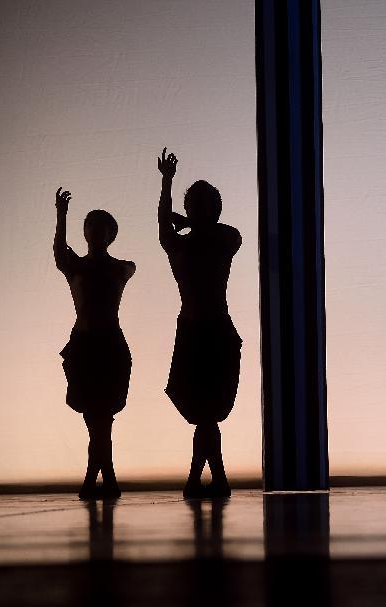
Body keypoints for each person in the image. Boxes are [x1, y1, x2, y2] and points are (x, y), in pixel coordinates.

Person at [156, 148, 242, 499]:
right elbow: (164, 223)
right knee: (206, 414)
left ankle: (202, 477)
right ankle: (211, 477)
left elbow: (170, 225)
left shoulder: (220, 239)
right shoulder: (188, 244)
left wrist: (183, 212)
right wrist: (166, 182)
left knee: (207, 413)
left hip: (211, 330)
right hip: (199, 331)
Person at [54, 187, 135, 500]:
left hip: (109, 345)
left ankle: (96, 478)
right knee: (96, 416)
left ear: (111, 234)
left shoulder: (121, 267)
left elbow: (66, 256)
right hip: (85, 345)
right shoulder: (78, 267)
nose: (94, 232)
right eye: (90, 226)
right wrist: (61, 215)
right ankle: (103, 477)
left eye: (101, 227)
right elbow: (61, 252)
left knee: (101, 416)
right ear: (85, 232)